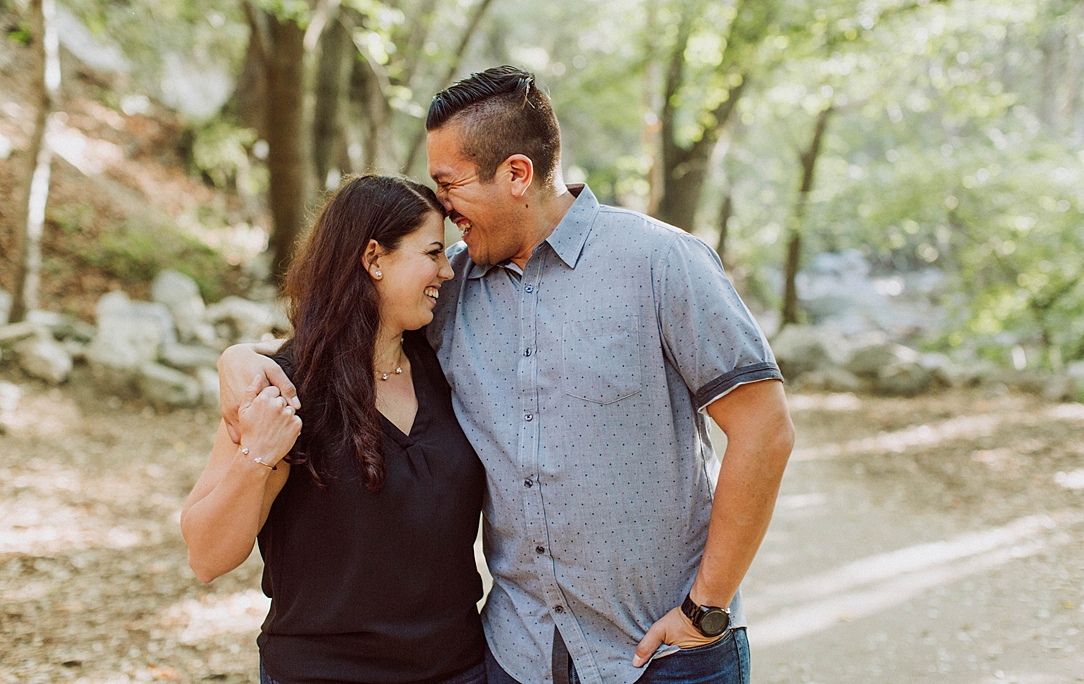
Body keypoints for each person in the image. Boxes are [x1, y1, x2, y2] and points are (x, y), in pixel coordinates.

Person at [219, 67, 795, 684]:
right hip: (517, 659)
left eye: (449, 183)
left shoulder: (661, 262)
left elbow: (765, 430)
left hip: (666, 657)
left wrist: (705, 609)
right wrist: (241, 361)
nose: (440, 207)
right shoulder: (450, 287)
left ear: (517, 174)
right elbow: (350, 337)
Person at [182, 175, 488, 684]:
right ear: (374, 258)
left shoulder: (447, 367)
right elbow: (206, 558)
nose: (446, 271)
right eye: (433, 253)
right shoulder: (286, 387)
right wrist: (256, 456)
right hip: (321, 673)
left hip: (455, 669)